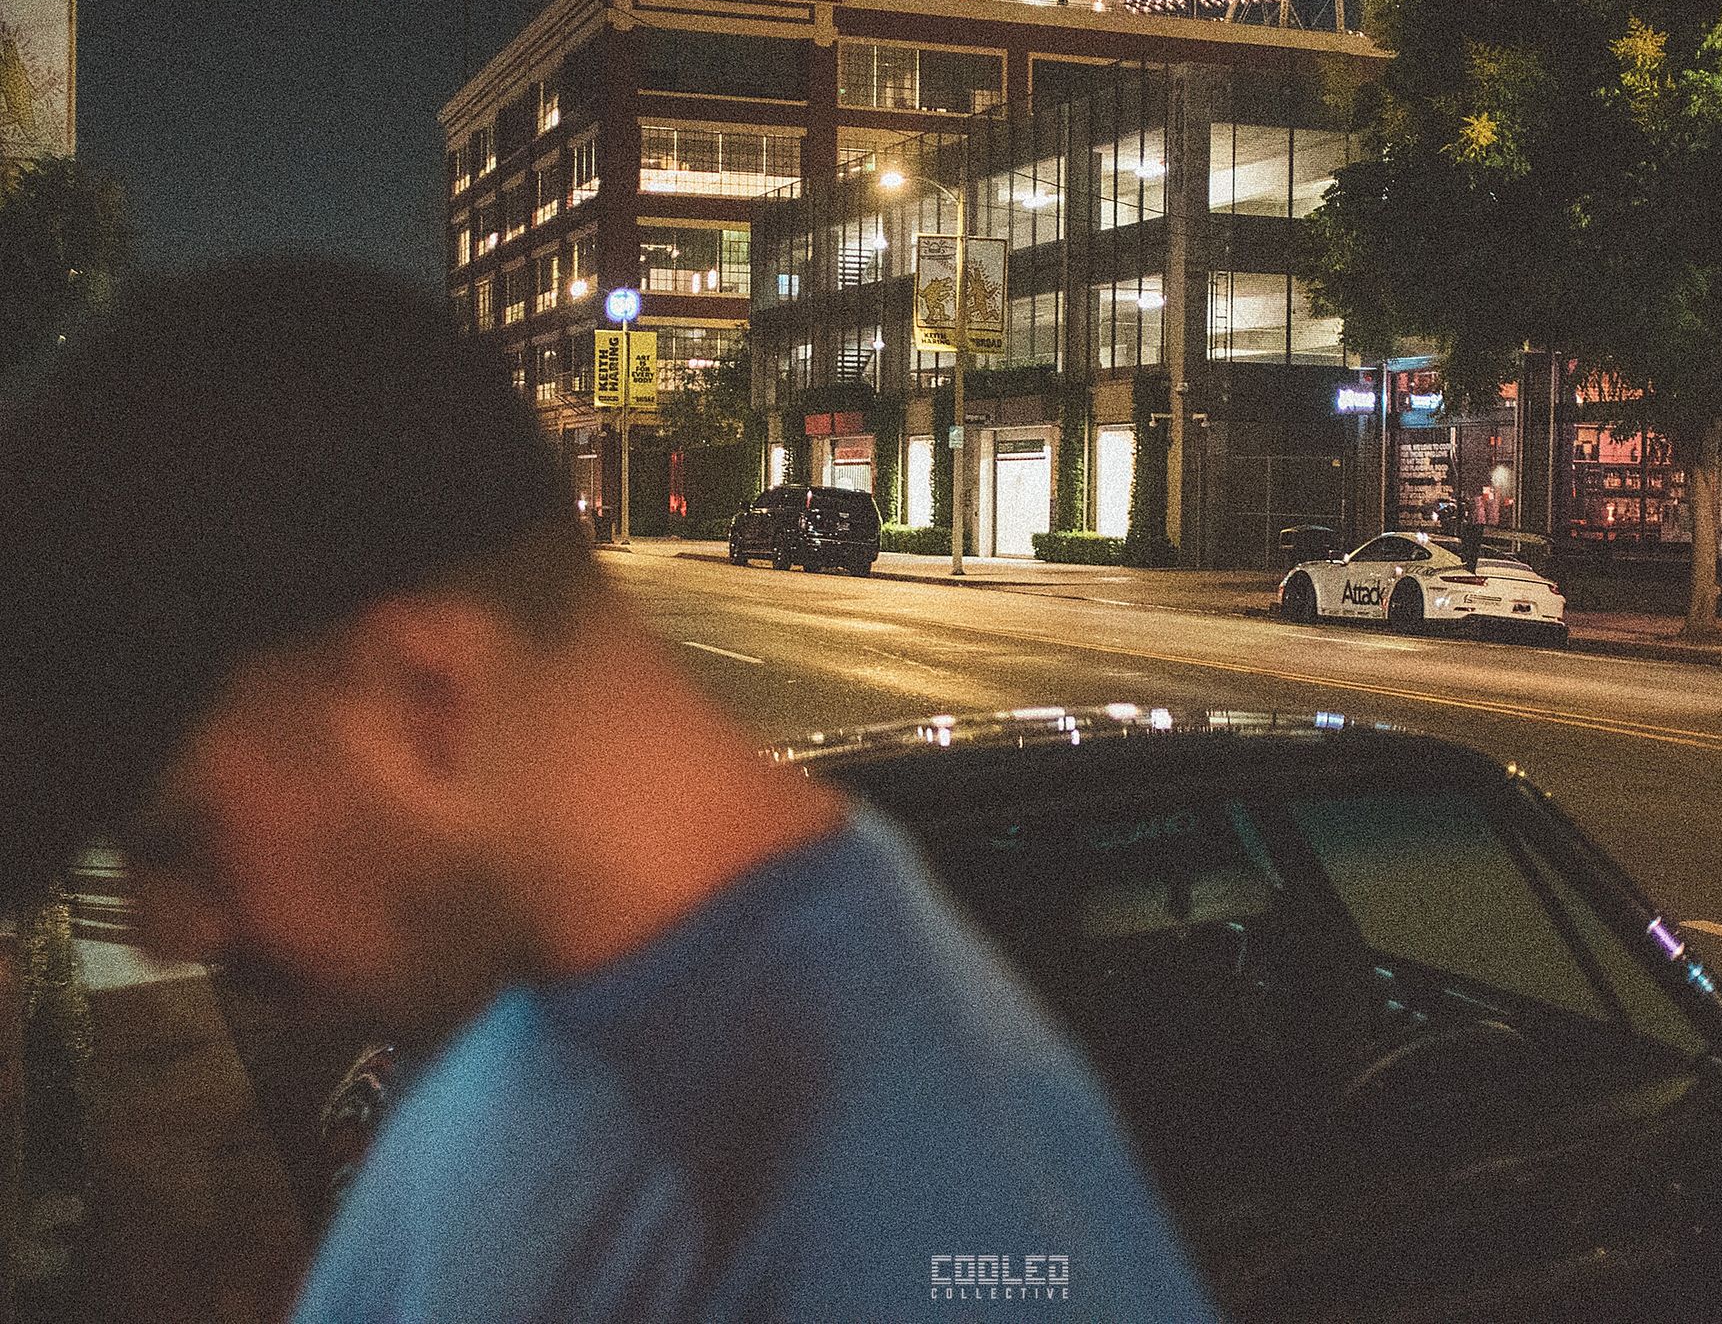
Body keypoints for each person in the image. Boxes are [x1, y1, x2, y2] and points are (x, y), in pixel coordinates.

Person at [0, 257, 1215, 1321]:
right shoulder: (532, 997)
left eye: (176, 837)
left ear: (421, 694)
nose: (164, 930)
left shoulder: (903, 1200)